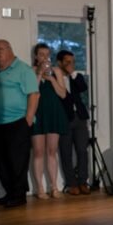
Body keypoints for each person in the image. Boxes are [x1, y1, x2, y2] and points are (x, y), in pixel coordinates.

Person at [0, 39, 39, 208]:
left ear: (10, 49)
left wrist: (28, 119)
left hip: (17, 122)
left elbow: (34, 95)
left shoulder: (23, 70)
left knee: (17, 161)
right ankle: (9, 193)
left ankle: (19, 195)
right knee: (2, 161)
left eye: (0, 49)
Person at [28, 44, 68, 199]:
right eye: (41, 54)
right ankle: (39, 188)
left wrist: (51, 78)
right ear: (36, 56)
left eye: (47, 54)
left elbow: (63, 94)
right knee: (38, 152)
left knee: (52, 151)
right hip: (37, 113)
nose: (45, 57)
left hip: (54, 113)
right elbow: (32, 91)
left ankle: (54, 187)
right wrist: (39, 74)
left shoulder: (56, 71)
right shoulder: (30, 71)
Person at [56, 50, 91, 195]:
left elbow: (83, 88)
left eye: (73, 62)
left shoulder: (76, 77)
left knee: (83, 150)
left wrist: (72, 73)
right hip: (63, 118)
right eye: (67, 62)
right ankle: (71, 184)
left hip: (80, 118)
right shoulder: (54, 77)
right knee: (66, 152)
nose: (71, 64)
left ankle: (83, 181)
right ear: (59, 62)